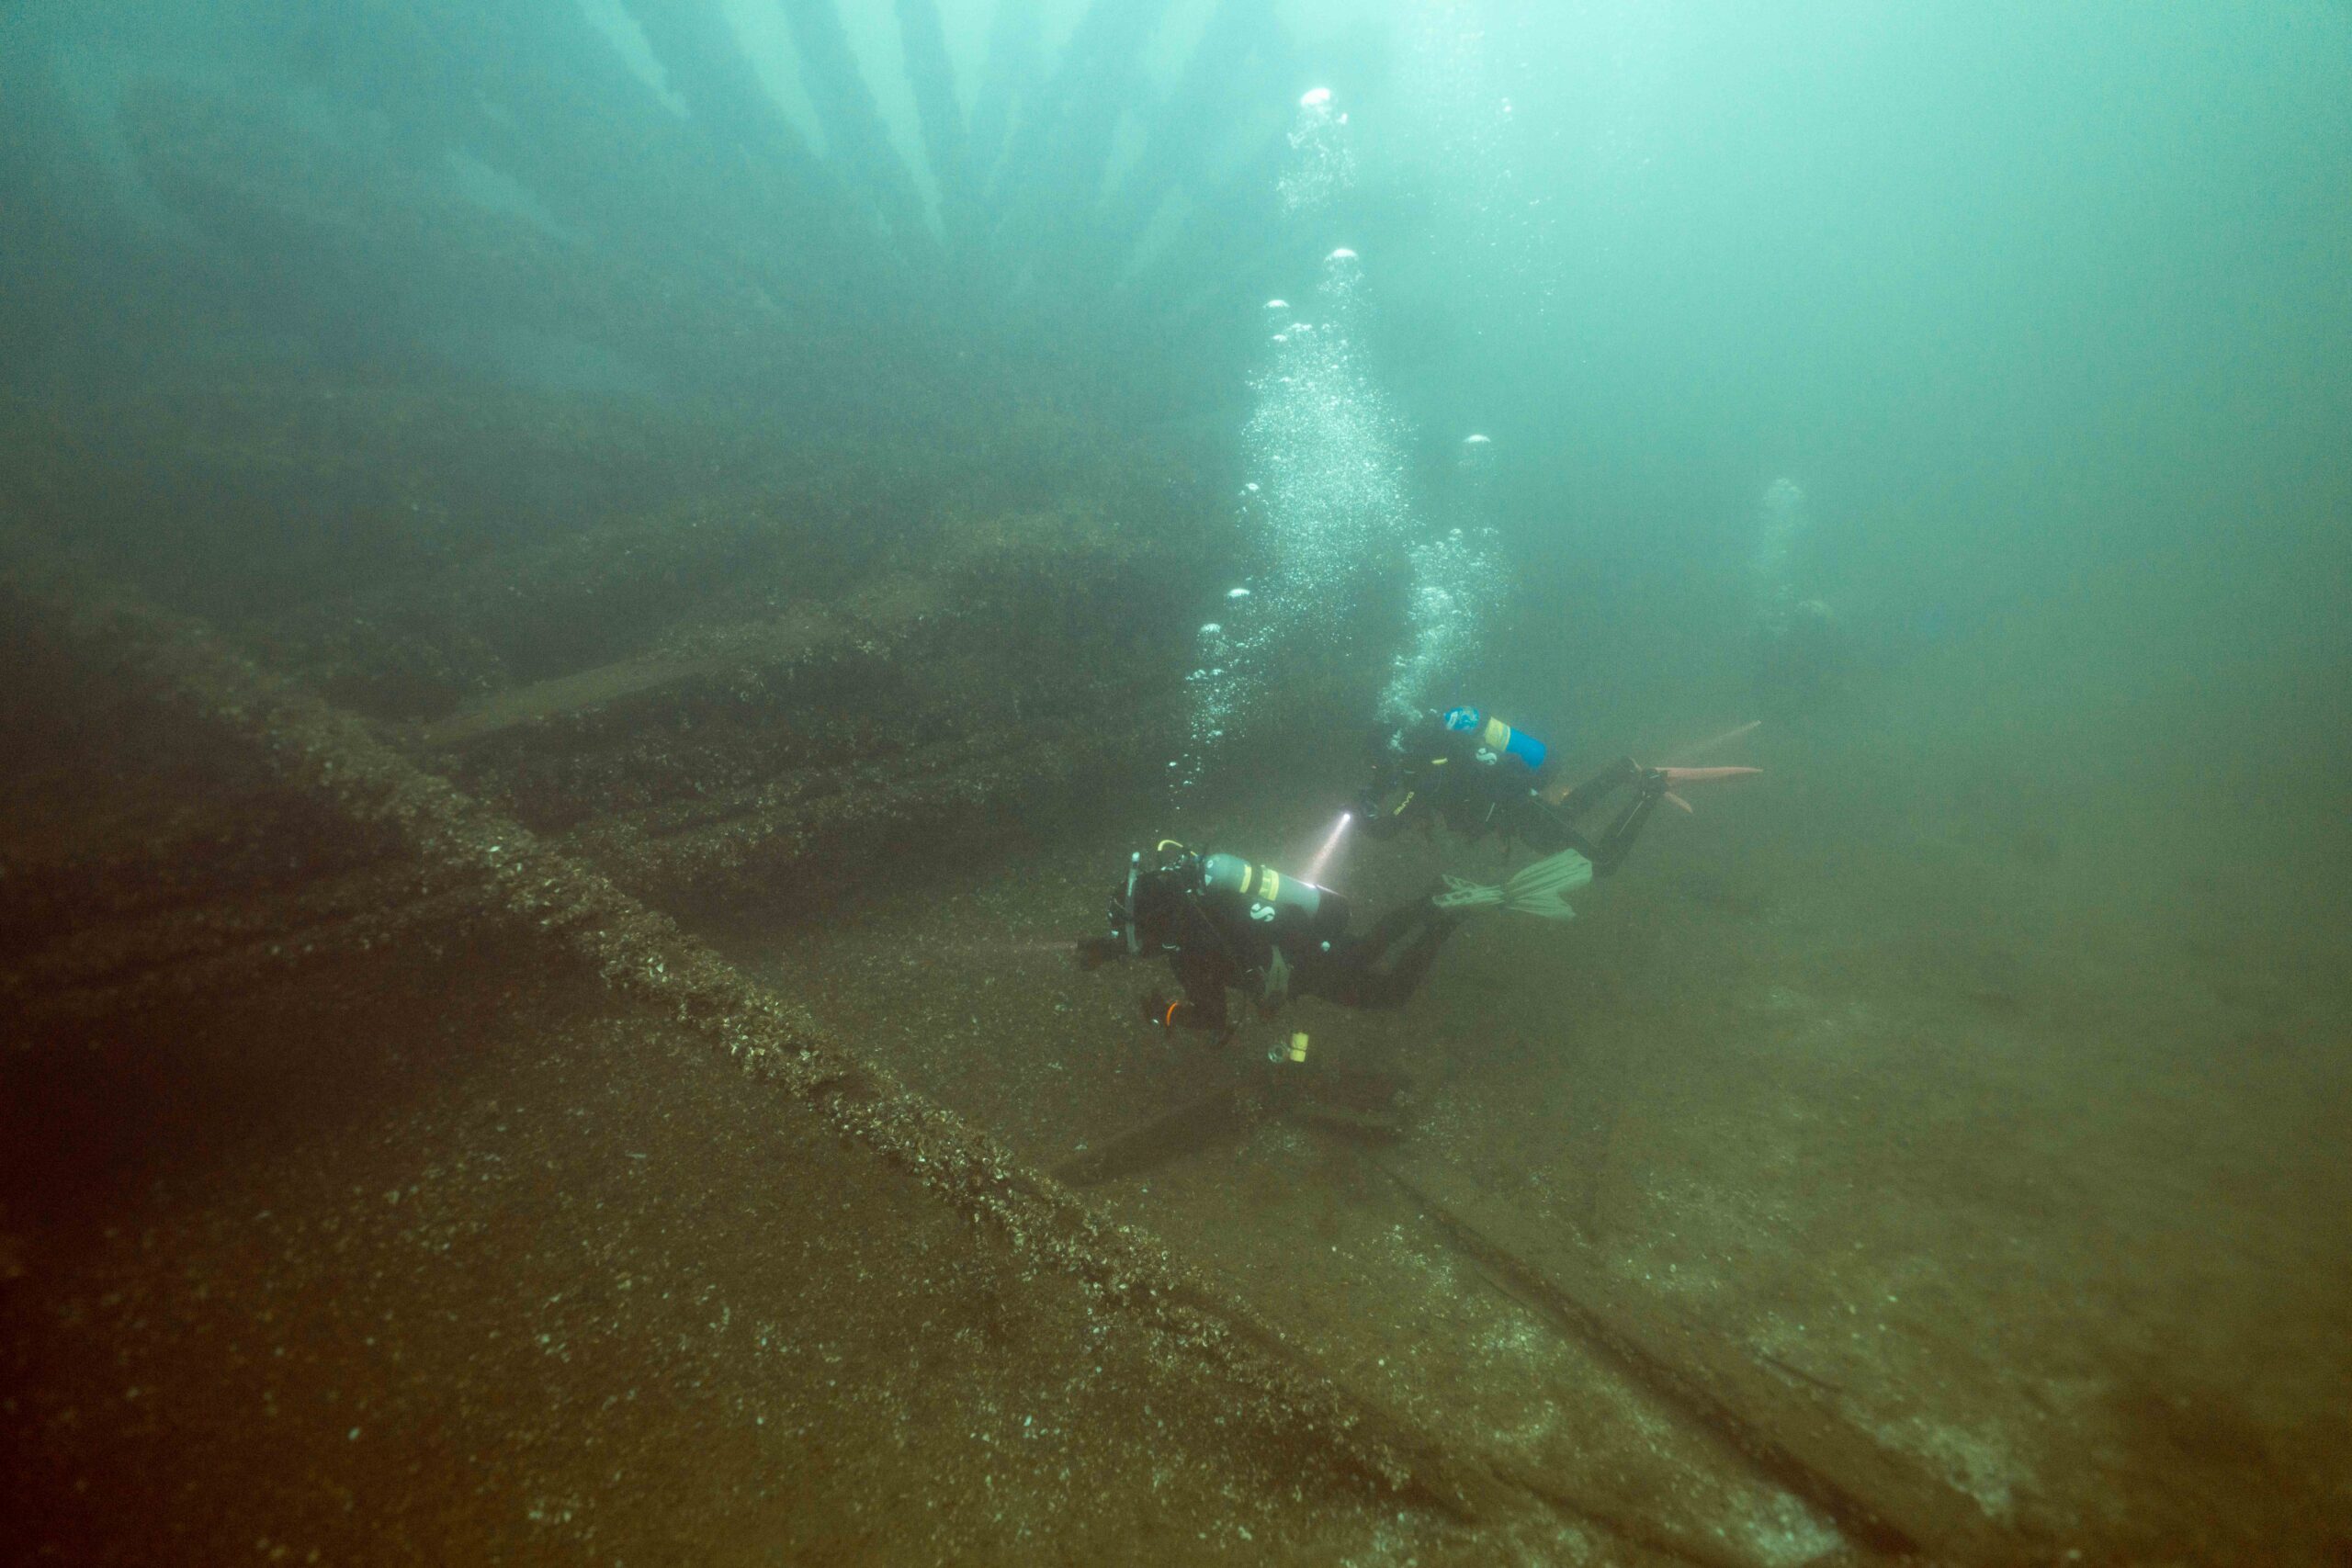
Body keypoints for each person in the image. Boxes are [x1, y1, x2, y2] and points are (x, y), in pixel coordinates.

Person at [1073, 835, 1620, 1041]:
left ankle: (1442, 914)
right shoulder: (1196, 901)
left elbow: (1213, 1020)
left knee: (1387, 994)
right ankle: (1430, 899)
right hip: (1307, 927)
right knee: (1365, 945)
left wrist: (1163, 1014)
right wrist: (1108, 949)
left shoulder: (1185, 955)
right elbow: (1149, 939)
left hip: (1303, 962)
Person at [1354, 705, 1679, 874]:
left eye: (1378, 762)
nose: (1381, 770)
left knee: (1602, 864)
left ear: (1391, 752)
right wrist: (1371, 795)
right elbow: (1398, 789)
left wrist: (1362, 815)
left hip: (1517, 808)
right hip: (1517, 802)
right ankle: (1620, 771)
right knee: (1567, 814)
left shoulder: (1426, 775)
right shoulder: (1432, 760)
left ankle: (1649, 791)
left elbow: (1388, 826)